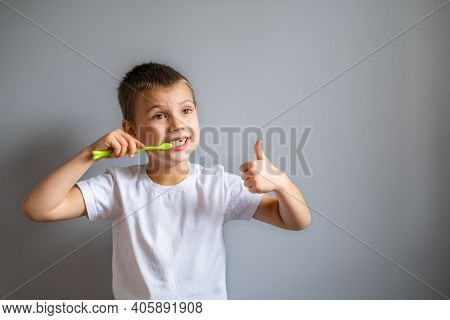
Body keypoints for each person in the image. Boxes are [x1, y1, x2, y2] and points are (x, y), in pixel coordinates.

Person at [20, 62, 311, 299]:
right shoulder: (118, 187)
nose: (177, 125)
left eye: (186, 110)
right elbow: (39, 208)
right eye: (160, 115)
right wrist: (89, 154)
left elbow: (295, 220)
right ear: (130, 130)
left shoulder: (219, 185)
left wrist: (282, 184)